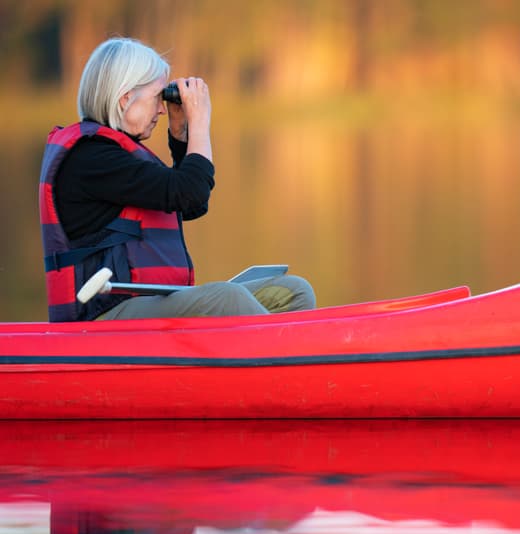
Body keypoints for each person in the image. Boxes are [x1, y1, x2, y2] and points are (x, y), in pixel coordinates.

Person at [39, 37, 315, 322]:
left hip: (138, 303)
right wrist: (200, 123)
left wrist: (181, 135)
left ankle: (269, 360)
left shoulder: (116, 154)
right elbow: (190, 193)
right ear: (125, 98)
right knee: (226, 299)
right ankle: (289, 361)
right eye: (157, 97)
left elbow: (191, 205)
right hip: (102, 315)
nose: (161, 108)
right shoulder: (91, 159)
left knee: (293, 292)